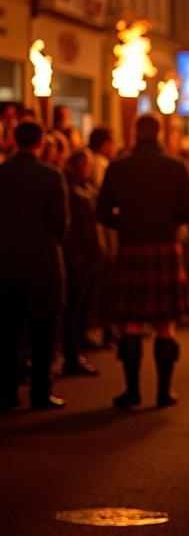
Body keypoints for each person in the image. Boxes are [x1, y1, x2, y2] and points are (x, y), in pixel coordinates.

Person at [96, 114, 189, 408]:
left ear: (133, 133)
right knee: (165, 324)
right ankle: (164, 393)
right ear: (159, 135)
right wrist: (168, 223)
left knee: (131, 324)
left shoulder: (118, 167)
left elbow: (102, 212)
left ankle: (132, 392)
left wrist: (126, 224)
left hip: (132, 247)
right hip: (165, 247)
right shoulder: (176, 166)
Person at [0, 121, 69, 410]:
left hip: (5, 263)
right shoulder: (51, 176)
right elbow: (61, 224)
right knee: (43, 331)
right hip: (42, 263)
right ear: (40, 142)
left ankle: (5, 392)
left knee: (7, 332)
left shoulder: (2, 174)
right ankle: (41, 392)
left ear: (14, 140)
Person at [62, 149, 103, 377]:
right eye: (85, 164)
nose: (88, 169)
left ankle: (78, 349)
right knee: (74, 307)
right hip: (78, 256)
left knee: (83, 305)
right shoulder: (70, 190)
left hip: (91, 254)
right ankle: (72, 354)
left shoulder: (88, 189)